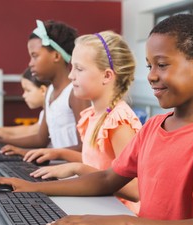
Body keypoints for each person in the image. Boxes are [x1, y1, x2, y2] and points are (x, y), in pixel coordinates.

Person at [0, 14, 193, 225]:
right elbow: (108, 178)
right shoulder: (154, 126)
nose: (151, 75)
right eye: (149, 66)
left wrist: (126, 224)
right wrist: (35, 189)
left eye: (162, 65)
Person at [21, 31, 142, 210]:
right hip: (99, 205)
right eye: (72, 68)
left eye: (79, 69)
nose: (71, 76)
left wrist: (77, 168)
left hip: (119, 215)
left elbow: (135, 190)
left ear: (107, 76)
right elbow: (96, 163)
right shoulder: (94, 115)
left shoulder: (118, 122)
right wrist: (59, 154)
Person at [0, 20, 90, 152]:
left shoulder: (75, 93)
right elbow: (40, 140)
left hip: (72, 171)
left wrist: (27, 152)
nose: (30, 63)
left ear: (56, 56)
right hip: (56, 167)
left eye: (35, 56)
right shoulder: (49, 92)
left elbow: (84, 147)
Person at [0, 67, 49, 140]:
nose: (23, 95)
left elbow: (33, 132)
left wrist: (6, 137)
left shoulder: (52, 112)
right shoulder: (44, 112)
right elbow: (30, 130)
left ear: (43, 90)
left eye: (28, 90)